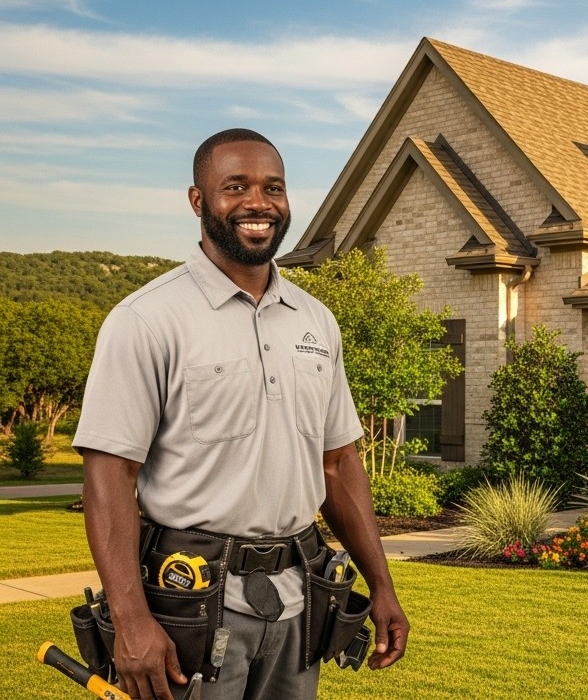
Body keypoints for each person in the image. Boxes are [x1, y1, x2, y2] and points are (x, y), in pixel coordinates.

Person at [75, 128, 408, 700]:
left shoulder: (316, 321)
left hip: (298, 599)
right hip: (188, 599)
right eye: (236, 187)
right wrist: (130, 619)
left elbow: (336, 462)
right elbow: (110, 474)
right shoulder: (147, 320)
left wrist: (382, 584)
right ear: (198, 201)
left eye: (272, 187)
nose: (258, 203)